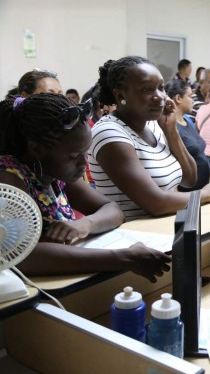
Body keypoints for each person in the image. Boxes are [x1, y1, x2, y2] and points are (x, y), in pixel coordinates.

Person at [0, 94, 170, 281]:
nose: (84, 163)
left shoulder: (54, 171)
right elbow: (21, 255)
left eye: (85, 152)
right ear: (37, 149)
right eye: (74, 156)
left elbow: (112, 209)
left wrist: (84, 225)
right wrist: (122, 257)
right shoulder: (9, 177)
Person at [89, 56, 210, 221]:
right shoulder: (109, 132)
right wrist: (205, 194)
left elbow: (189, 180)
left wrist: (171, 131)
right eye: (147, 89)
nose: (159, 96)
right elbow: (155, 203)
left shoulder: (153, 125)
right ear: (120, 95)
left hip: (163, 232)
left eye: (161, 88)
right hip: (132, 238)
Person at [165, 78, 210, 190]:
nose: (193, 101)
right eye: (190, 96)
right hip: (186, 191)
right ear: (178, 98)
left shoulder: (188, 120)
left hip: (202, 187)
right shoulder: (169, 126)